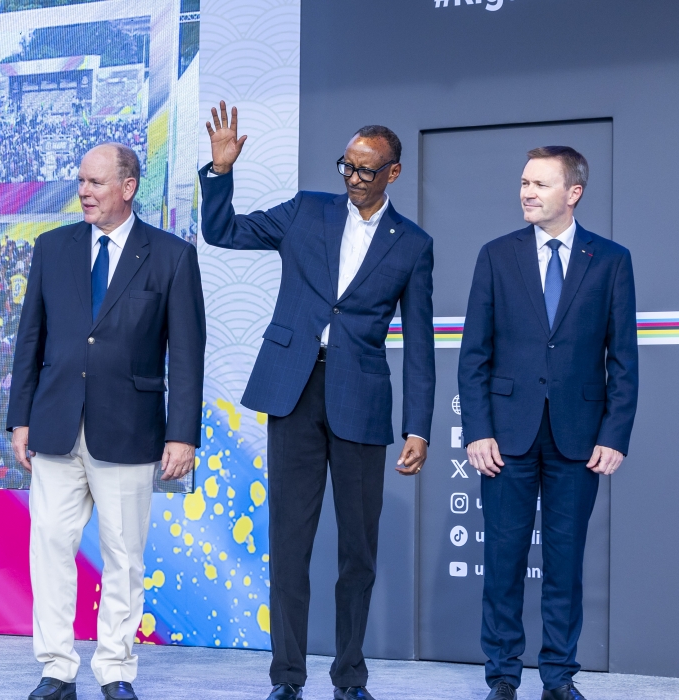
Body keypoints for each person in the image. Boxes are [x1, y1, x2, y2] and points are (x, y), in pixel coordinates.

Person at [199, 103, 435, 700]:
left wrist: (419, 427)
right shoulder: (307, 210)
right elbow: (223, 231)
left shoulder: (413, 245)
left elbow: (423, 345)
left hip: (361, 398)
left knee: (358, 550)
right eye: (346, 166)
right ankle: (287, 678)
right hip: (294, 390)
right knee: (291, 545)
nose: (352, 178)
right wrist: (220, 173)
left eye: (365, 170)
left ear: (393, 174)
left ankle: (349, 677)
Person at [8, 143, 205, 700]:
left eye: (96, 182)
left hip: (130, 431)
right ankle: (56, 668)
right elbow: (31, 339)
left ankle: (115, 670)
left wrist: (182, 433)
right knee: (48, 545)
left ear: (128, 186)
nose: (84, 192)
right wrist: (20, 418)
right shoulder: (51, 249)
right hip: (54, 427)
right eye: (81, 182)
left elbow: (188, 354)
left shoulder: (170, 256)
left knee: (123, 555)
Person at [458, 147, 638, 700]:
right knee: (503, 562)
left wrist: (614, 434)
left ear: (573, 192)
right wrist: (477, 431)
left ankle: (559, 678)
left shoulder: (609, 259)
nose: (527, 192)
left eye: (539, 183)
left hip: (579, 437)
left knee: (565, 563)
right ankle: (503, 677)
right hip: (505, 436)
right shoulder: (496, 255)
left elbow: (623, 359)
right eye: (523, 182)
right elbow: (474, 356)